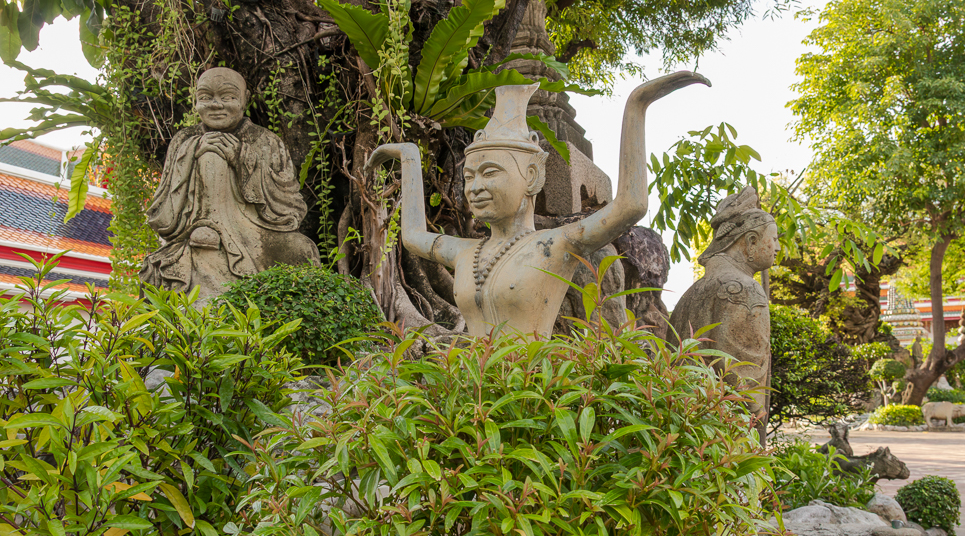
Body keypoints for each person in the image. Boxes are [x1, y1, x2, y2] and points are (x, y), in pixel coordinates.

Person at [367, 72, 708, 337]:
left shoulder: (555, 245)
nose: (475, 187)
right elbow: (413, 235)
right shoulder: (465, 252)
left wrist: (637, 104)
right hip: (469, 391)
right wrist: (409, 157)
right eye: (469, 177)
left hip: (528, 390)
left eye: (490, 173)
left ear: (531, 176)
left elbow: (631, 204)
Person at [140, 68, 319, 299]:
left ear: (245, 99)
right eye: (206, 97)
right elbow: (163, 207)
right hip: (199, 232)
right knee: (210, 155)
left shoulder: (266, 141)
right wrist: (192, 152)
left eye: (227, 97)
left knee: (301, 248)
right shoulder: (184, 140)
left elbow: (290, 204)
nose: (216, 105)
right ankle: (208, 223)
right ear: (195, 101)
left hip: (256, 230)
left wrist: (242, 159)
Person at [670, 186, 780, 415]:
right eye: (774, 239)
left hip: (683, 419)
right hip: (724, 424)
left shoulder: (693, 291)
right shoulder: (745, 289)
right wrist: (755, 413)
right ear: (751, 241)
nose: (777, 248)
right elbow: (741, 375)